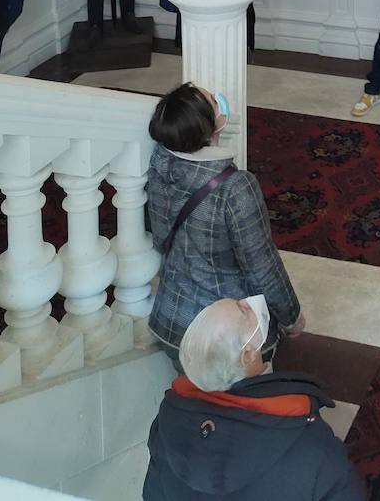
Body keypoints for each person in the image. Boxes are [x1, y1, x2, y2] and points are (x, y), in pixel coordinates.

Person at [144, 297, 363, 501]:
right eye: (243, 310)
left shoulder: (165, 423)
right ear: (248, 355)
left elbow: (153, 491)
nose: (250, 303)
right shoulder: (309, 443)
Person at [146, 83, 302, 361]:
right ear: (209, 126)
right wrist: (292, 317)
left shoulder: (159, 166)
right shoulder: (235, 187)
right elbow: (262, 267)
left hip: (171, 323)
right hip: (227, 336)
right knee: (239, 400)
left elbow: (160, 238)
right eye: (214, 102)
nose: (220, 98)